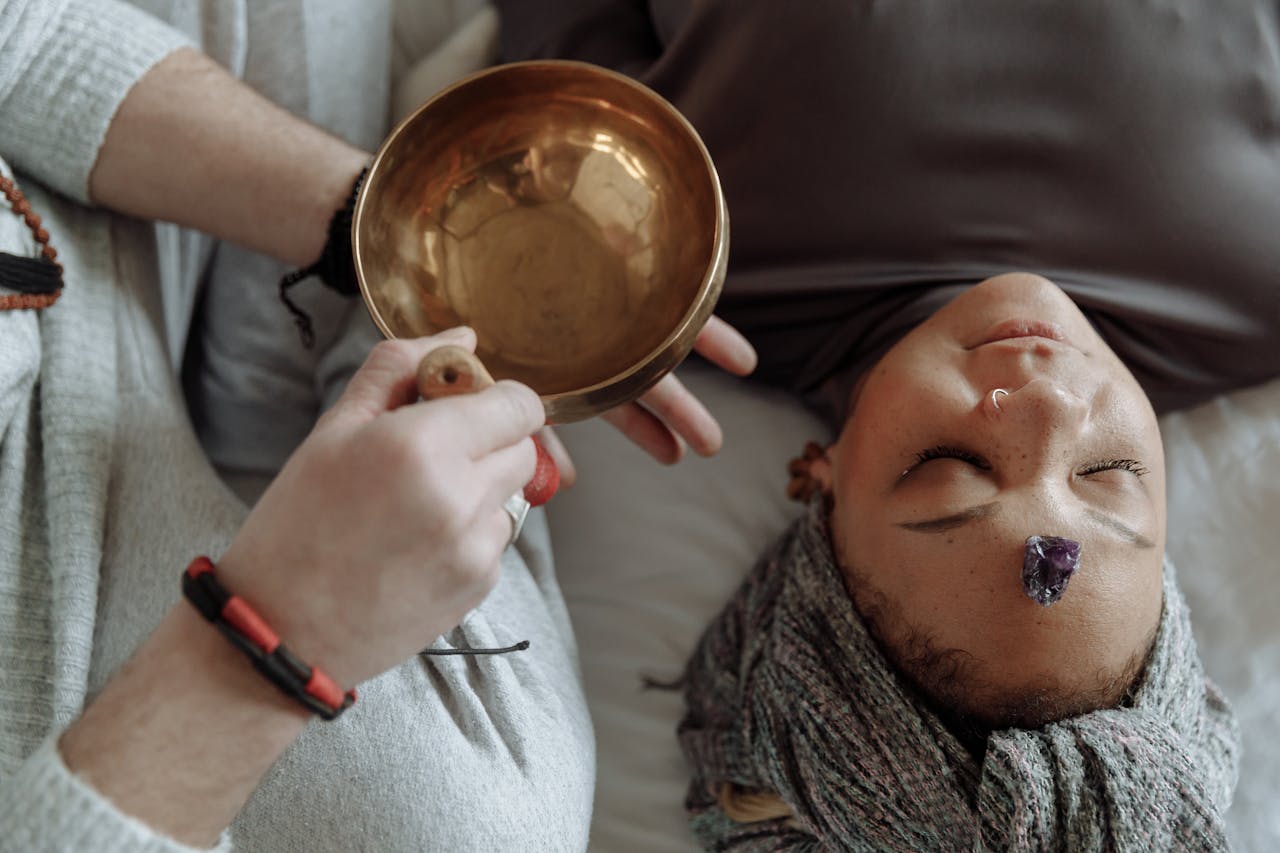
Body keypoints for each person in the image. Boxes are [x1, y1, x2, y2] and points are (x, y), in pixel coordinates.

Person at [496, 0, 1280, 847]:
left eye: (953, 468)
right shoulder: (1262, 295)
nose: (1051, 405)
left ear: (818, 482)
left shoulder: (650, 236)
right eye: (1110, 475)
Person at [0, 1, 753, 850]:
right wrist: (258, 645)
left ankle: (326, 352)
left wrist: (390, 238)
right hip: (85, 682)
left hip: (88, 253)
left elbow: (20, 39)